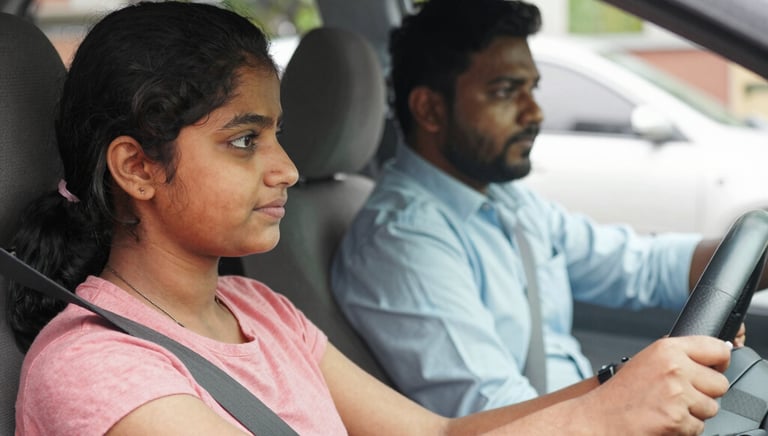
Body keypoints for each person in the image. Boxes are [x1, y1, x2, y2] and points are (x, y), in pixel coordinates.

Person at [7, 1, 731, 435]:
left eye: (278, 134)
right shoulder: (95, 368)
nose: (285, 166)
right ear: (136, 167)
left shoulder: (260, 308)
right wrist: (597, 421)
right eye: (244, 140)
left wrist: (622, 386)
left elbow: (438, 433)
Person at [331, 0, 752, 419]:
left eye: (531, 88)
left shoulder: (503, 199)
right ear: (430, 109)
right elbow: (499, 414)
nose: (535, 113)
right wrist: (641, 381)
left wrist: (753, 252)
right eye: (505, 92)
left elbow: (639, 265)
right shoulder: (403, 243)